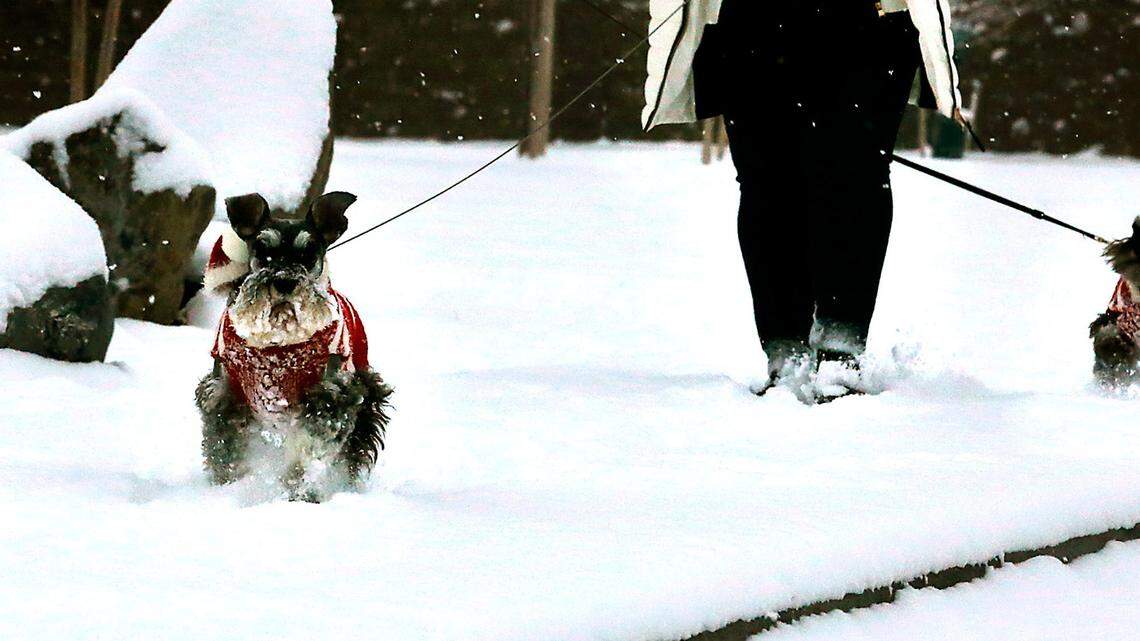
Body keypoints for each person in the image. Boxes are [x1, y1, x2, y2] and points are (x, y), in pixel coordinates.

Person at [643, 0, 965, 401]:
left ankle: (841, 347)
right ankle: (786, 352)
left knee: (855, 179)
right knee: (769, 183)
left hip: (867, 21)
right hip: (750, 23)